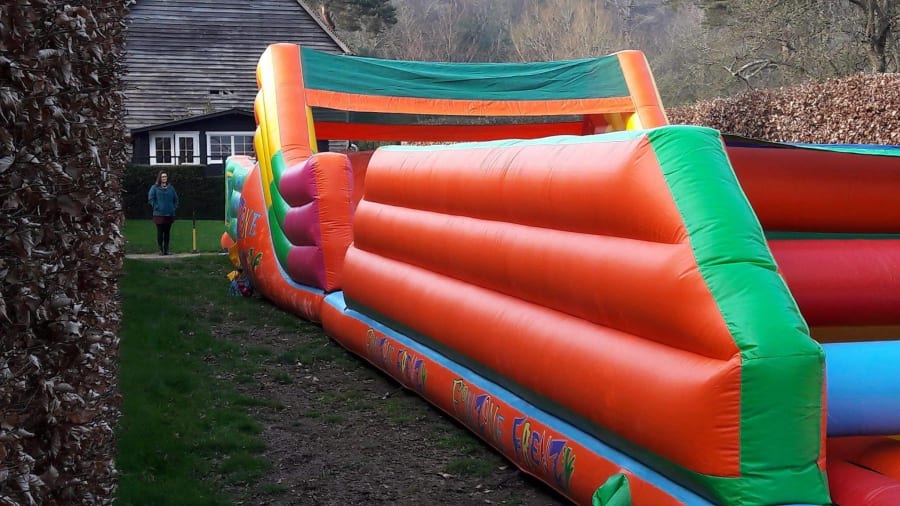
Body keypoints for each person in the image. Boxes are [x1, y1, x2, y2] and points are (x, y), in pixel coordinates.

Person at [148, 170, 179, 255]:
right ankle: (160, 249)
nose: (164, 178)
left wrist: (173, 208)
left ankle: (166, 250)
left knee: (167, 232)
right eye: (162, 177)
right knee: (160, 232)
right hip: (159, 214)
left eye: (165, 176)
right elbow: (151, 199)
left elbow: (176, 199)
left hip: (169, 214)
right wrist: (156, 206)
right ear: (160, 178)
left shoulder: (171, 188)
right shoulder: (154, 188)